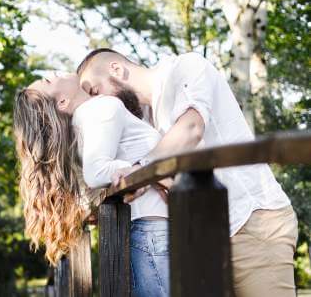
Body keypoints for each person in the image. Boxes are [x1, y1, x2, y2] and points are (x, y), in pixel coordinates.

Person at [77, 48, 298, 297]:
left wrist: (143, 170)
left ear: (116, 69)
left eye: (95, 91)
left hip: (252, 223)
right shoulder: (146, 119)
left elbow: (191, 128)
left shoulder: (185, 67)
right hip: (206, 236)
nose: (99, 102)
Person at [13, 72, 170, 297]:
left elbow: (88, 192)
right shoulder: (101, 109)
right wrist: (140, 171)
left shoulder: (80, 128)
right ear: (63, 102)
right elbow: (96, 173)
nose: (51, 73)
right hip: (154, 230)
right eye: (48, 81)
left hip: (144, 232)